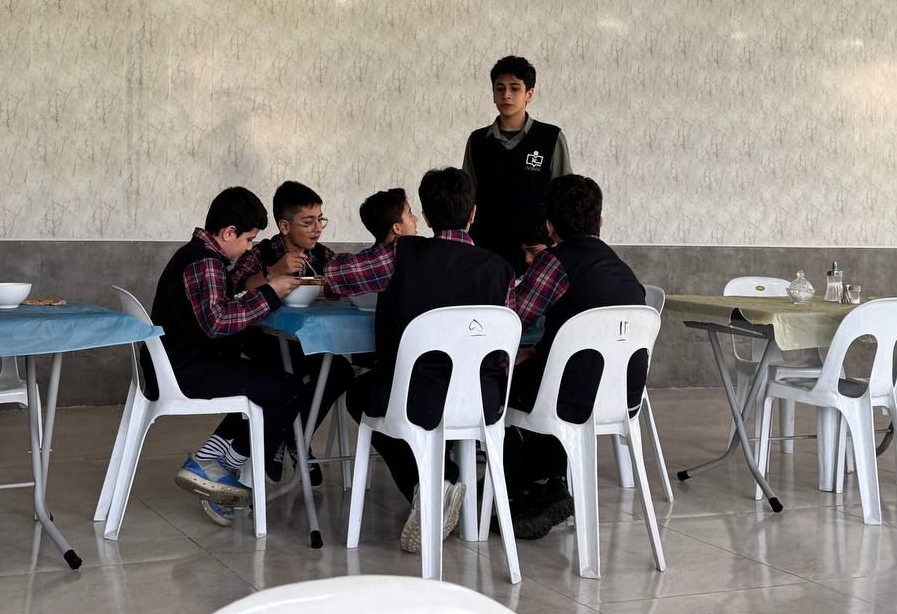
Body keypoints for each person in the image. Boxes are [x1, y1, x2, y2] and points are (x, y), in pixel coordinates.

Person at [338, 168, 514, 554]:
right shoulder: (500, 270)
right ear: (473, 214)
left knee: (360, 394)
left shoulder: (400, 254)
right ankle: (439, 484)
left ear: (427, 217)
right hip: (483, 402)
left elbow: (338, 277)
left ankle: (430, 486)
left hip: (412, 399)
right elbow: (504, 343)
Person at [149, 187, 304, 527]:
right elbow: (218, 322)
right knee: (287, 389)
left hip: (177, 363)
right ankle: (220, 467)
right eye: (248, 239)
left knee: (267, 380)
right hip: (185, 369)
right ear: (229, 232)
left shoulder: (198, 254)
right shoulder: (204, 261)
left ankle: (215, 462)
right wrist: (270, 293)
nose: (249, 248)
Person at [503, 174, 647, 540]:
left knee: (493, 386)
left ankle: (521, 491)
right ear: (600, 220)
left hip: (568, 397)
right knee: (538, 375)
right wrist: (540, 351)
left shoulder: (556, 261)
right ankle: (547, 485)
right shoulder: (621, 268)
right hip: (623, 398)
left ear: (550, 226)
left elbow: (513, 318)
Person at [196, 182, 352, 503]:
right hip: (263, 343)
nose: (317, 229)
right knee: (284, 378)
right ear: (285, 225)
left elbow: (340, 281)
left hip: (307, 341)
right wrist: (273, 272)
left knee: (339, 370)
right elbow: (235, 289)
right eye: (308, 222)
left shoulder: (321, 256)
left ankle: (294, 437)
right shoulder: (261, 253)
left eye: (320, 220)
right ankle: (273, 442)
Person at [463, 55, 572, 273]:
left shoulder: (550, 138)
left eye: (515, 88)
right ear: (493, 94)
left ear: (529, 94)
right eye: (500, 88)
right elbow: (465, 197)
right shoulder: (478, 141)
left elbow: (566, 197)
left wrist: (559, 243)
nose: (506, 95)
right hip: (486, 249)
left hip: (536, 251)